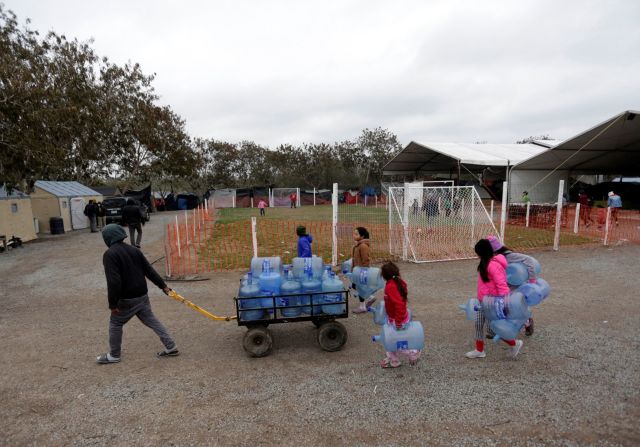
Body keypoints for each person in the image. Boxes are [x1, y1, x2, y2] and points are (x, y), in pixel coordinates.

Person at [96, 224, 178, 364]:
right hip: (142, 295)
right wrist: (163, 286)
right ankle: (171, 346)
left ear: (107, 238)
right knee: (151, 320)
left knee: (115, 323)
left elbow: (114, 281)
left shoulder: (110, 254)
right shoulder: (134, 250)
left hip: (126, 299)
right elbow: (149, 271)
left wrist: (113, 304)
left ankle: (114, 355)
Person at [465, 238, 524, 359]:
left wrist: (504, 303)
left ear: (483, 252)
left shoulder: (493, 265)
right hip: (483, 301)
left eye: (478, 253)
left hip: (493, 303)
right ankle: (479, 350)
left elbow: (502, 285)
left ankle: (514, 343)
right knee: (478, 324)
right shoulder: (485, 263)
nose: (477, 255)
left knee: (493, 329)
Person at [487, 235, 536, 336]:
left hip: (516, 286)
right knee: (499, 306)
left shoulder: (510, 256)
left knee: (517, 307)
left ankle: (527, 322)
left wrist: (532, 278)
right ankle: (498, 328)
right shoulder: (492, 259)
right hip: (502, 287)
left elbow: (529, 260)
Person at [378, 261, 421, 368]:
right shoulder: (397, 282)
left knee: (398, 342)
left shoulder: (391, 286)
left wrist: (398, 322)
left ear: (384, 276)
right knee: (389, 339)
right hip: (394, 317)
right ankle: (394, 360)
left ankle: (414, 352)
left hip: (398, 319)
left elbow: (400, 305)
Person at [351, 226, 373, 314]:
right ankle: (370, 297)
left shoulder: (363, 246)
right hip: (357, 271)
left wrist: (363, 272)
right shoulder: (357, 245)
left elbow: (366, 260)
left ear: (362, 236)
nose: (354, 235)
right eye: (354, 233)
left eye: (356, 234)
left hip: (361, 271)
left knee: (359, 287)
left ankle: (363, 305)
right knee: (355, 286)